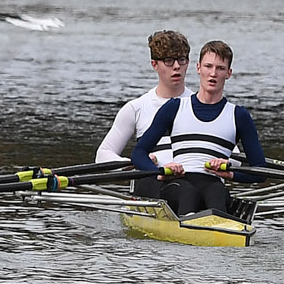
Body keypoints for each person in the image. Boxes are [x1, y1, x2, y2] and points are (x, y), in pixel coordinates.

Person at [132, 41, 266, 220]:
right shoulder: (175, 107)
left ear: (228, 73)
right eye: (208, 66)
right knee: (188, 193)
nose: (213, 74)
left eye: (220, 68)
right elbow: (139, 153)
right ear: (198, 68)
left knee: (216, 191)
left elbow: (260, 171)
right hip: (179, 182)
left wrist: (230, 174)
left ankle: (219, 232)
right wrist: (161, 171)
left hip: (213, 183)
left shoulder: (239, 116)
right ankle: (192, 228)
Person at [97, 30, 191, 196]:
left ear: (188, 62)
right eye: (169, 61)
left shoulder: (203, 105)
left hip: (192, 180)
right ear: (154, 64)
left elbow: (234, 156)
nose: (176, 66)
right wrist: (132, 163)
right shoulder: (136, 108)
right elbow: (103, 155)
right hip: (152, 183)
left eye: (181, 59)